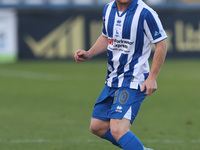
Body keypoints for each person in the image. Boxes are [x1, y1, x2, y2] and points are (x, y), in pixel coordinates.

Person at [74, 0, 167, 149]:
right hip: (113, 78)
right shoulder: (108, 9)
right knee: (97, 126)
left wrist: (152, 78)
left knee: (118, 128)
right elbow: (106, 37)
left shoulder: (145, 13)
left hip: (133, 79)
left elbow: (161, 44)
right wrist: (89, 53)